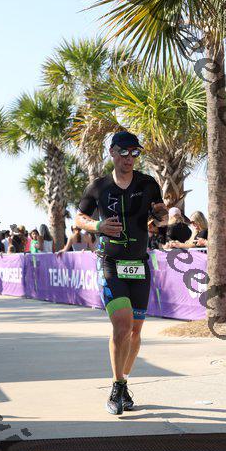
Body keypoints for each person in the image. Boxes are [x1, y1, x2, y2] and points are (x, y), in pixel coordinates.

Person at [76, 130, 167, 415]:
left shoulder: (148, 183)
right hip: (110, 264)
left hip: (139, 264)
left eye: (135, 153)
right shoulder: (98, 186)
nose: (129, 158)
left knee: (136, 332)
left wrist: (160, 217)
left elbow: (161, 212)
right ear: (112, 152)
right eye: (124, 152)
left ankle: (123, 382)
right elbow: (79, 218)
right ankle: (116, 387)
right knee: (123, 326)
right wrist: (98, 226)